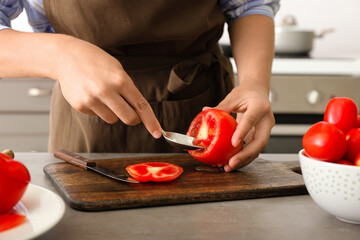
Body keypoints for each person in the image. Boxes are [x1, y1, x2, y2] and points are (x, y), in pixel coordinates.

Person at [0, 0, 279, 172]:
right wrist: (58, 56)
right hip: (84, 116)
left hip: (201, 93)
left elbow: (248, 5)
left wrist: (255, 82)